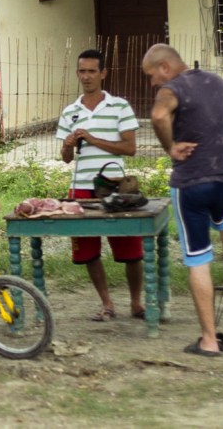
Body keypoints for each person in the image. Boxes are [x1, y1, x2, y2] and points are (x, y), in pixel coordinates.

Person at [142, 43, 223, 357]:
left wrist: (171, 147)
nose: (152, 84)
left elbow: (159, 115)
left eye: (151, 76)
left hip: (192, 184)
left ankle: (209, 341)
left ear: (164, 67)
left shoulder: (172, 87)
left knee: (198, 257)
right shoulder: (219, 82)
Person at [56, 49, 145, 322]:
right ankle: (107, 304)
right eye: (82, 71)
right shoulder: (70, 111)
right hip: (80, 186)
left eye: (92, 71)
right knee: (88, 251)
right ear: (77, 73)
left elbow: (130, 148)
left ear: (103, 73)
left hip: (116, 186)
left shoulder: (120, 106)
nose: (86, 77)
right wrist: (68, 145)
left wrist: (93, 139)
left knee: (131, 250)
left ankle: (135, 303)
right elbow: (66, 158)